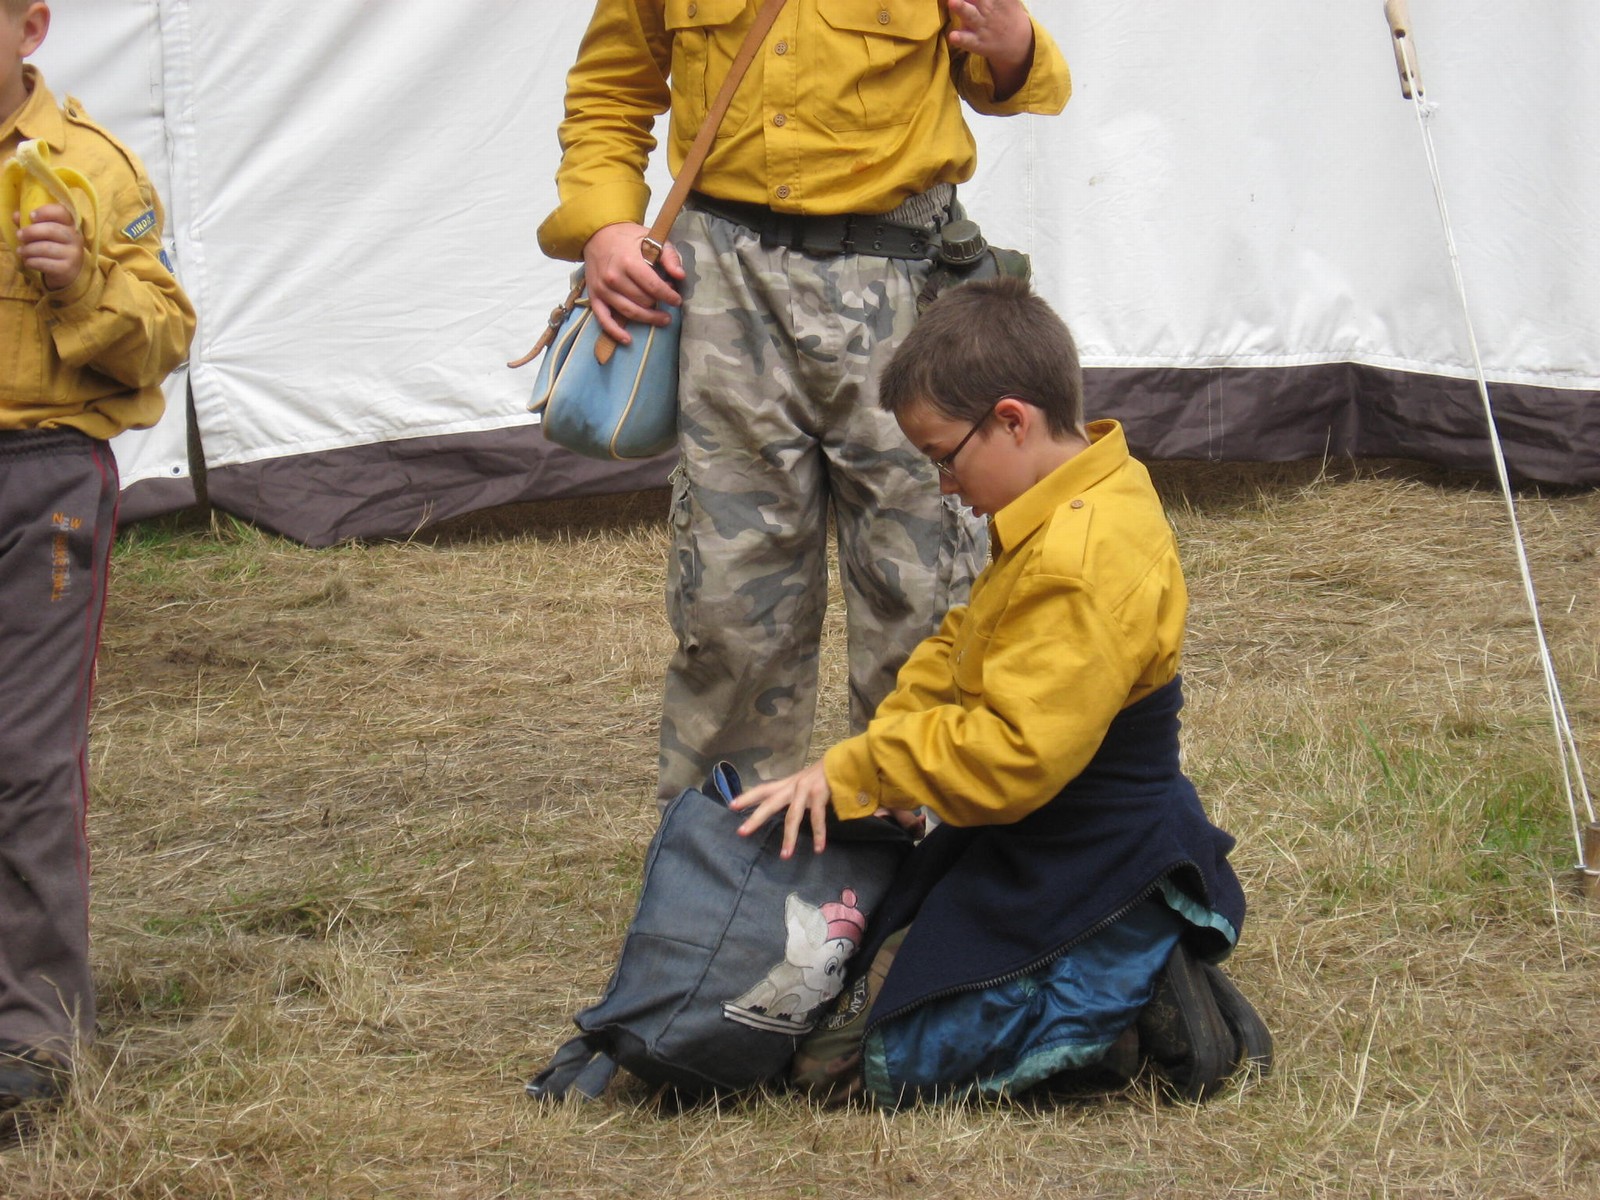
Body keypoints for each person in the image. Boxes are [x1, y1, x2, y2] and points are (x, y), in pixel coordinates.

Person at [730, 278, 1268, 1106]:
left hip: (1085, 846)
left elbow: (1015, 754)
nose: (945, 484)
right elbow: (962, 645)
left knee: (842, 1065)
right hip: (1030, 827)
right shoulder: (1075, 493)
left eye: (944, 457)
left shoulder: (1078, 558)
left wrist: (863, 771)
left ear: (1012, 420)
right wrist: (885, 758)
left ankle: (1126, 999)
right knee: (845, 977)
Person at [537, 1, 1072, 809]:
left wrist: (1014, 48)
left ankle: (919, 860)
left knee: (925, 600)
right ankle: (724, 866)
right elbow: (610, 90)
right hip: (723, 290)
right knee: (730, 609)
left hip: (901, 286)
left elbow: (1017, 75)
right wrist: (606, 225)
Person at [0, 0, 196, 1114]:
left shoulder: (89, 166)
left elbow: (166, 332)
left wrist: (82, 281)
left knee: (25, 757)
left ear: (29, 28)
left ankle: (31, 1035)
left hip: (41, 483)